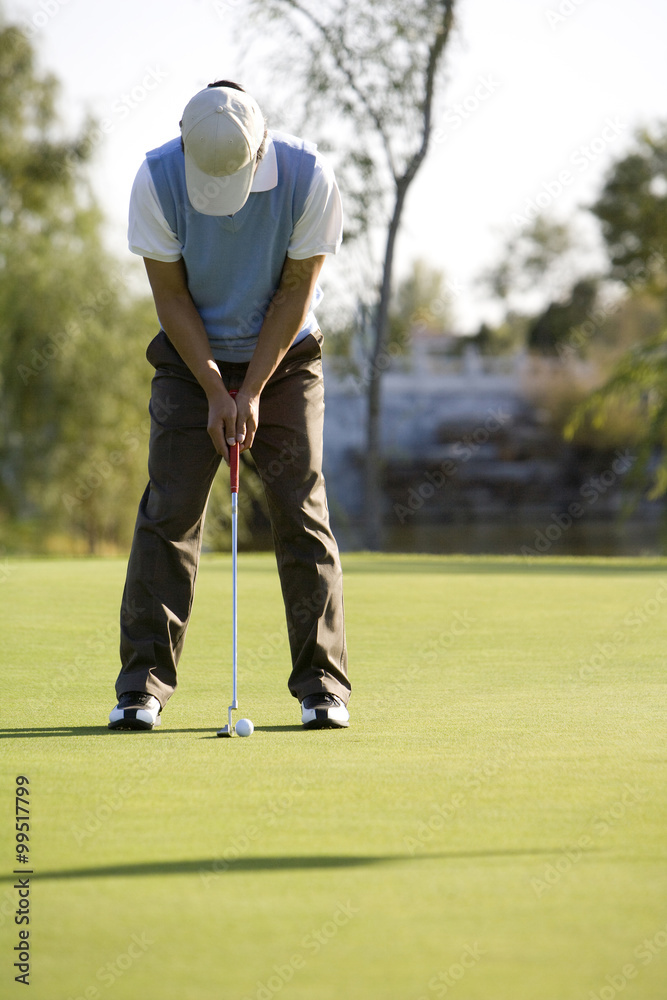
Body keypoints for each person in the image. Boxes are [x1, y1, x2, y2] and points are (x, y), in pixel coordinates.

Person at [108, 80, 350, 732]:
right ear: (183, 144)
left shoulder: (308, 177)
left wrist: (253, 389)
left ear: (261, 147)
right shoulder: (157, 180)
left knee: (300, 507)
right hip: (192, 365)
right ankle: (142, 688)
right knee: (170, 510)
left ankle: (322, 687)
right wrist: (217, 390)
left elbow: (295, 293)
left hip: (286, 354)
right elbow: (173, 299)